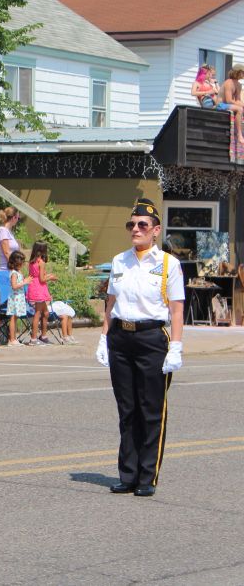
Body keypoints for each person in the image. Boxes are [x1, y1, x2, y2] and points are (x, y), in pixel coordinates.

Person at [96, 198, 184, 497]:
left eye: (142, 225)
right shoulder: (120, 261)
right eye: (131, 224)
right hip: (122, 337)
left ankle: (147, 477)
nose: (136, 229)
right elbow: (111, 303)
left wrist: (177, 346)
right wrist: (104, 337)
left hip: (152, 340)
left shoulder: (168, 264)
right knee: (127, 410)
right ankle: (128, 474)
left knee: (150, 410)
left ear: (155, 230)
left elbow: (175, 310)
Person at [26, 241, 58, 346]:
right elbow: (42, 279)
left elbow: (35, 275)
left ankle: (43, 336)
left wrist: (46, 275)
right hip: (39, 289)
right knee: (38, 313)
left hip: (33, 288)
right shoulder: (41, 262)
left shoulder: (31, 261)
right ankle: (33, 339)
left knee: (46, 313)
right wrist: (51, 277)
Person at [0, 206, 21, 306]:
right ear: (13, 217)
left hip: (12, 270)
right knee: (5, 301)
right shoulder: (3, 231)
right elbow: (6, 252)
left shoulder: (9, 232)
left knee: (12, 302)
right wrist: (16, 267)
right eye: (18, 218)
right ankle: (2, 321)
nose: (18, 220)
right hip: (6, 270)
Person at [6, 251, 29, 346]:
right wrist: (25, 282)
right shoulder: (14, 273)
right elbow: (14, 286)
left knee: (15, 318)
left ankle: (14, 338)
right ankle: (12, 339)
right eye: (22, 262)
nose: (23, 264)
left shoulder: (18, 272)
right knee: (13, 318)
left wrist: (24, 280)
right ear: (17, 263)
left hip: (18, 297)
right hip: (14, 298)